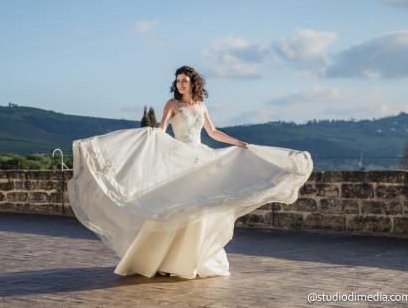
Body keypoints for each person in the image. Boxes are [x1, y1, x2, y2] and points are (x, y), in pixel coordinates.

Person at [67, 65, 313, 279]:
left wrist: (238, 143)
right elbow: (163, 129)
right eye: (177, 80)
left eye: (184, 80)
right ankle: (163, 260)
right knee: (176, 208)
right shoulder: (172, 104)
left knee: (200, 209)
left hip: (200, 158)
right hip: (178, 158)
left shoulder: (202, 106)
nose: (180, 84)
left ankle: (192, 261)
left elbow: (213, 132)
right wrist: (152, 136)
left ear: (193, 83)